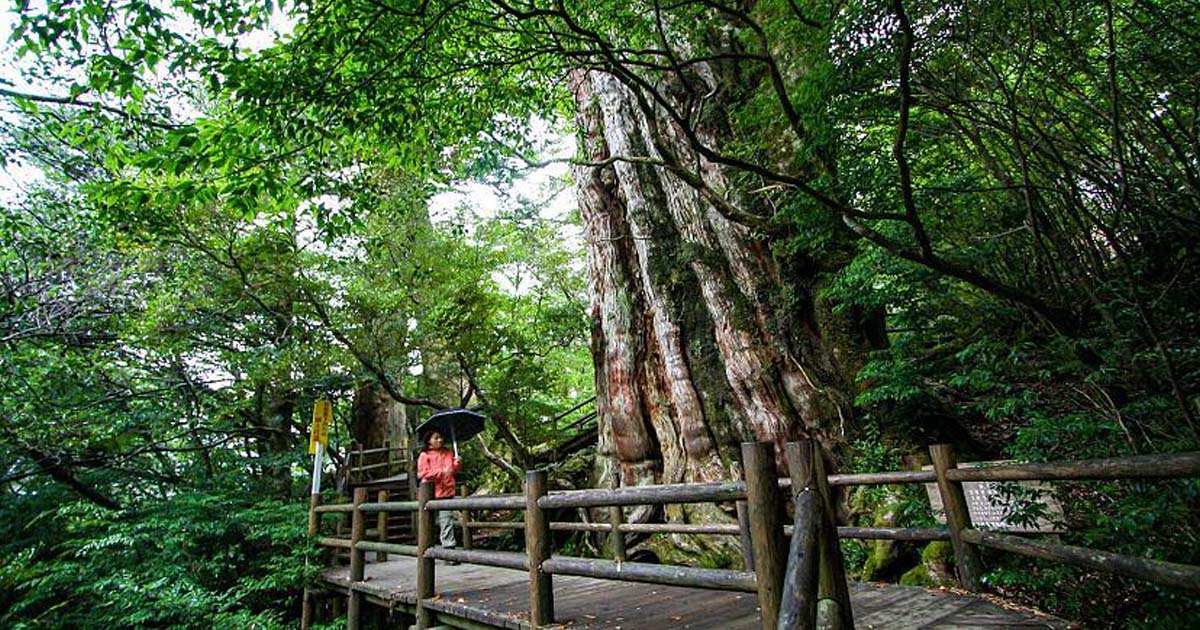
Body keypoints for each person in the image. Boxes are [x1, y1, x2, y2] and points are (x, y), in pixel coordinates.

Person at [417, 430, 462, 555]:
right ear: (429, 441)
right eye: (436, 438)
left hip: (446, 492)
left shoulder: (448, 453)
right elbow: (422, 474)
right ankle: (427, 549)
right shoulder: (424, 455)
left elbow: (453, 471)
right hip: (429, 494)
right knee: (427, 523)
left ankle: (449, 551)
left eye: (441, 437)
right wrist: (441, 472)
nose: (440, 440)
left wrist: (456, 464)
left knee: (446, 521)